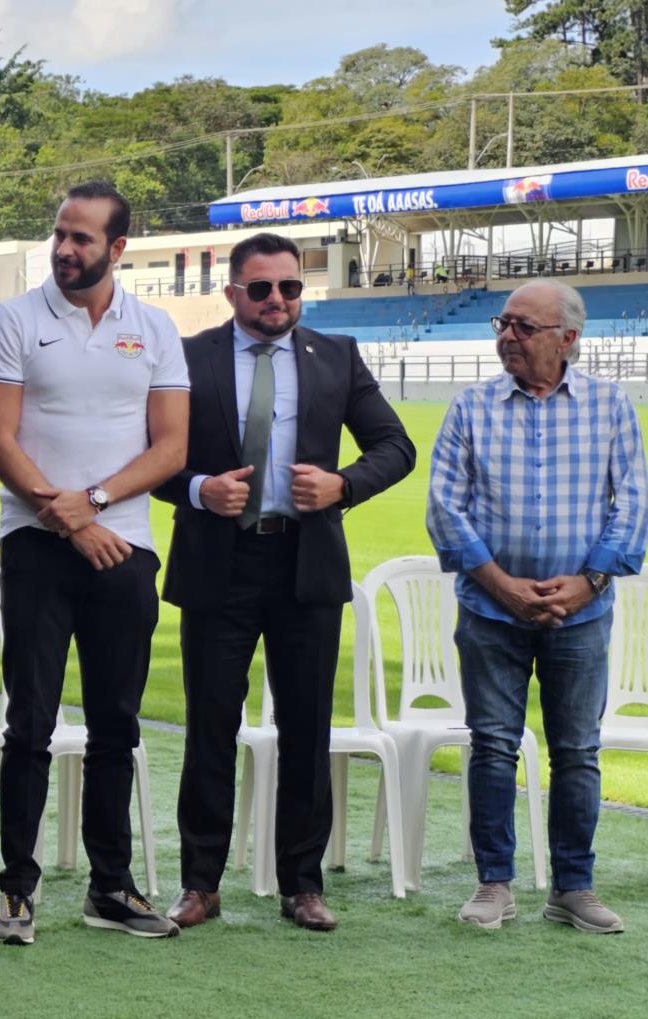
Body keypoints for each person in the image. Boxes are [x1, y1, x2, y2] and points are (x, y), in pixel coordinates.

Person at [152, 231, 415, 933]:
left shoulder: (336, 356)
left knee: (307, 729)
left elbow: (395, 447)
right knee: (210, 728)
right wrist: (200, 488)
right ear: (233, 291)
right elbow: (147, 456)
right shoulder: (188, 359)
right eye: (263, 288)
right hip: (218, 565)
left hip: (306, 565)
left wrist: (343, 485)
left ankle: (303, 884)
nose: (278, 300)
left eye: (291, 287)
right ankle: (200, 885)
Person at [0, 180, 189, 944]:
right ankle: (17, 891)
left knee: (115, 725)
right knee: (30, 721)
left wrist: (92, 504)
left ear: (118, 248)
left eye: (83, 238)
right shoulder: (15, 319)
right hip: (34, 542)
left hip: (125, 546)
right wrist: (63, 518)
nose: (66, 249)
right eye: (61, 234)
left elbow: (171, 447)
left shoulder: (155, 329)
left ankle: (110, 887)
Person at [427, 279, 648, 934]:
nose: (507, 336)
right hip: (491, 611)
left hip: (580, 614)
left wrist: (589, 582)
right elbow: (445, 506)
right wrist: (502, 584)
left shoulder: (611, 407)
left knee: (577, 751)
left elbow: (631, 505)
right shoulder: (470, 408)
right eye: (503, 323)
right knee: (493, 745)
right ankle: (494, 884)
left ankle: (573, 887)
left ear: (568, 340)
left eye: (525, 327)